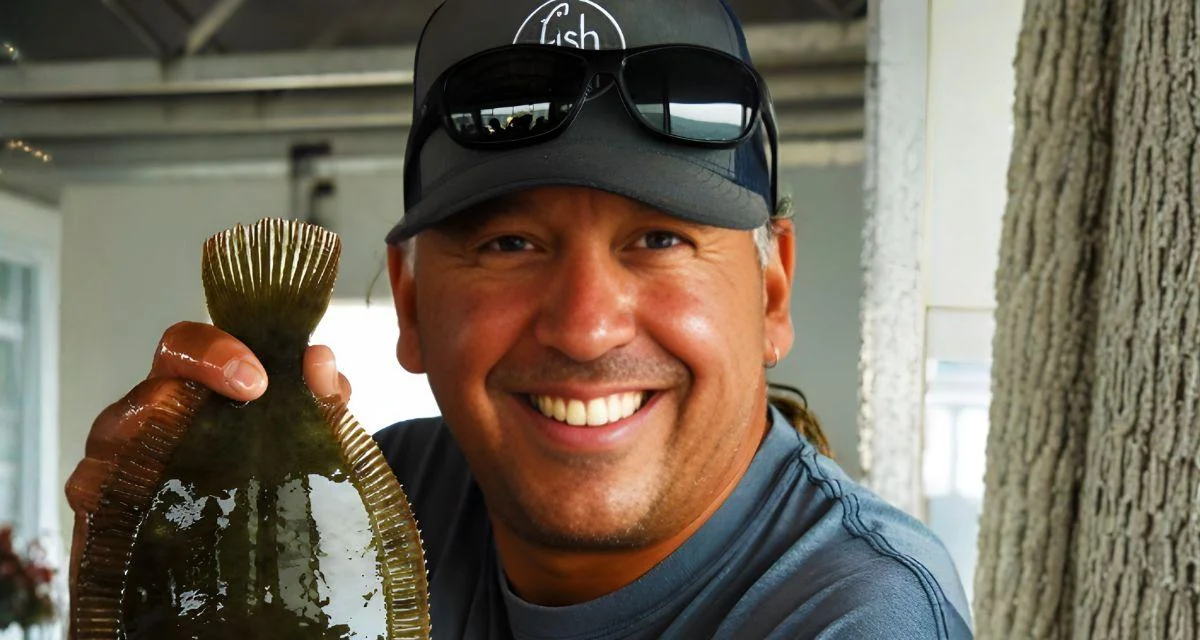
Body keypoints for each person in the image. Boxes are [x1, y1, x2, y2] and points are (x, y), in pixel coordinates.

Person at [65, 0, 974, 637]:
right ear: (410, 302)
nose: (585, 327)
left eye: (659, 239)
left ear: (771, 291)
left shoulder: (861, 614)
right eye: (508, 244)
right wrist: (128, 587)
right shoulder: (390, 492)